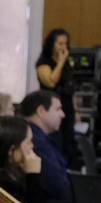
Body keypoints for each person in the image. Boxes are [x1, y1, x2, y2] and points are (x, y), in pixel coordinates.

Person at [18, 90, 71, 203]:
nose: (62, 114)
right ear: (41, 111)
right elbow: (58, 186)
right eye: (58, 109)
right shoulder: (36, 142)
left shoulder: (36, 138)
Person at [34, 28, 80, 166]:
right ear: (52, 44)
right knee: (56, 139)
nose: (63, 47)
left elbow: (70, 88)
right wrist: (60, 62)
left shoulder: (66, 63)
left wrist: (76, 110)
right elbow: (51, 81)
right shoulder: (43, 62)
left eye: (65, 44)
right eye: (60, 44)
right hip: (51, 106)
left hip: (67, 106)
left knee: (69, 141)